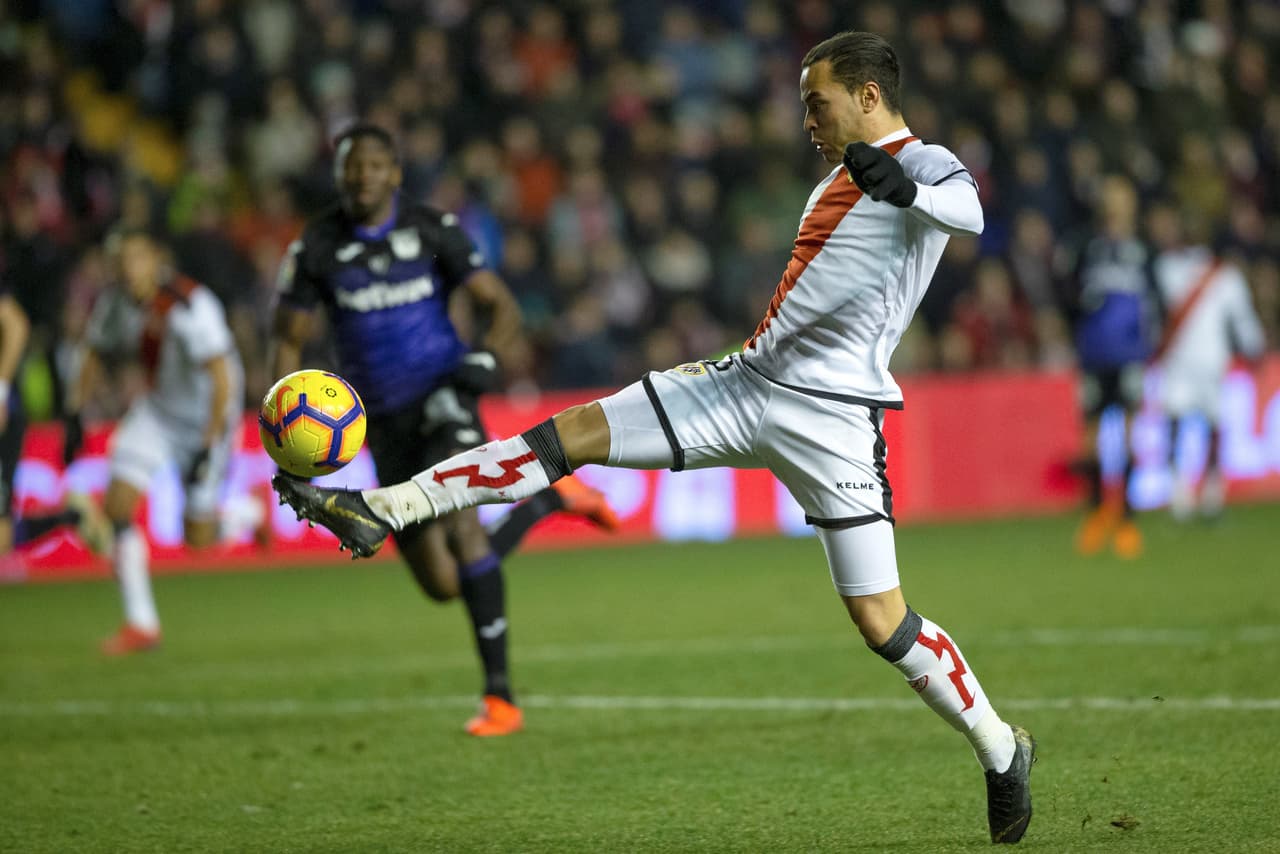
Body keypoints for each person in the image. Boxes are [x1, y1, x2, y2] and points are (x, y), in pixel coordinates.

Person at [273, 34, 1036, 843]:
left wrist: (907, 190)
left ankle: (1000, 750)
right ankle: (385, 508)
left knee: (882, 621)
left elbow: (972, 212)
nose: (807, 120)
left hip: (836, 420)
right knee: (570, 433)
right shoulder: (829, 185)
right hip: (744, 385)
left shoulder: (923, 163)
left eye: (818, 104)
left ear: (869, 97)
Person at [271, 123, 619, 738]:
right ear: (340, 174)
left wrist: (486, 355)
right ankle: (549, 501)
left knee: (463, 528)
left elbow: (499, 304)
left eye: (375, 164)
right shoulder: (317, 246)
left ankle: (500, 698)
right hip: (378, 420)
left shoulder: (432, 229)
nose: (363, 176)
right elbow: (288, 339)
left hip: (443, 395)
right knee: (442, 584)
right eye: (352, 165)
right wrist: (283, 438)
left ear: (395, 173)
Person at [64, 228, 256, 655]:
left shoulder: (189, 304)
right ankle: (141, 624)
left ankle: (247, 514)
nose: (128, 269)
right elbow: (92, 350)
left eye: (137, 258)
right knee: (116, 507)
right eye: (121, 261)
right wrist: (74, 412)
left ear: (156, 260)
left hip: (208, 418)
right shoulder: (115, 302)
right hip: (157, 412)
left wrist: (209, 444)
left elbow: (222, 376)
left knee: (198, 540)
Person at [1064, 176, 1158, 559]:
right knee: (1090, 435)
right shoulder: (1086, 246)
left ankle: (1127, 519)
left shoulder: (1143, 250)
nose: (1116, 204)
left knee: (1131, 434)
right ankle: (1097, 512)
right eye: (1111, 198)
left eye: (1122, 198)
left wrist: (1149, 342)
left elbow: (1156, 297)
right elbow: (1068, 292)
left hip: (1130, 354)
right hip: (1094, 353)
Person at [1151, 228, 1265, 520]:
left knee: (1179, 424)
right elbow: (1243, 319)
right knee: (1209, 426)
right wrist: (1255, 349)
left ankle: (1185, 491)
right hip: (1206, 361)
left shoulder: (1168, 268)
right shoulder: (1225, 275)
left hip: (1182, 360)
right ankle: (1207, 490)